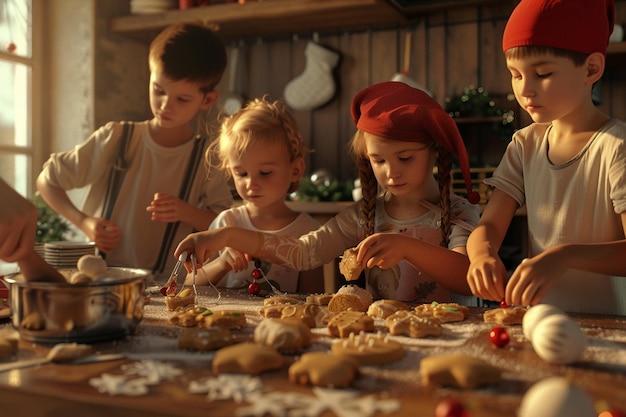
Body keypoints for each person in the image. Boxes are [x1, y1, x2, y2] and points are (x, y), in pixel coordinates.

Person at [176, 81, 481, 302]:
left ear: (434, 152)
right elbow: (301, 253)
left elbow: (468, 278)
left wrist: (408, 247)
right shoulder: (362, 216)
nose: (392, 172)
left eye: (405, 158)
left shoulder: (457, 212)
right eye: (378, 160)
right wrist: (226, 236)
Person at [36, 23, 233, 281]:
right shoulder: (117, 137)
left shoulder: (208, 157)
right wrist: (84, 222)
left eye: (181, 99)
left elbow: (225, 228)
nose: (164, 105)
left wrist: (186, 212)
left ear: (207, 100)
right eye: (158, 90)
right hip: (99, 281)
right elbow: (47, 180)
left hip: (167, 287)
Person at [466, 0, 626, 315]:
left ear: (591, 69)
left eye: (542, 73)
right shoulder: (525, 144)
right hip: (540, 318)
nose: (525, 90)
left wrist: (563, 256)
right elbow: (489, 227)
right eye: (516, 74)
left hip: (613, 324)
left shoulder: (616, 147)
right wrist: (482, 255)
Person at [183, 97, 324, 293]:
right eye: (241, 173)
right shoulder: (227, 222)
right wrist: (222, 263)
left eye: (265, 172)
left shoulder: (309, 231)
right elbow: (189, 284)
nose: (251, 184)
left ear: (295, 170)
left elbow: (313, 299)